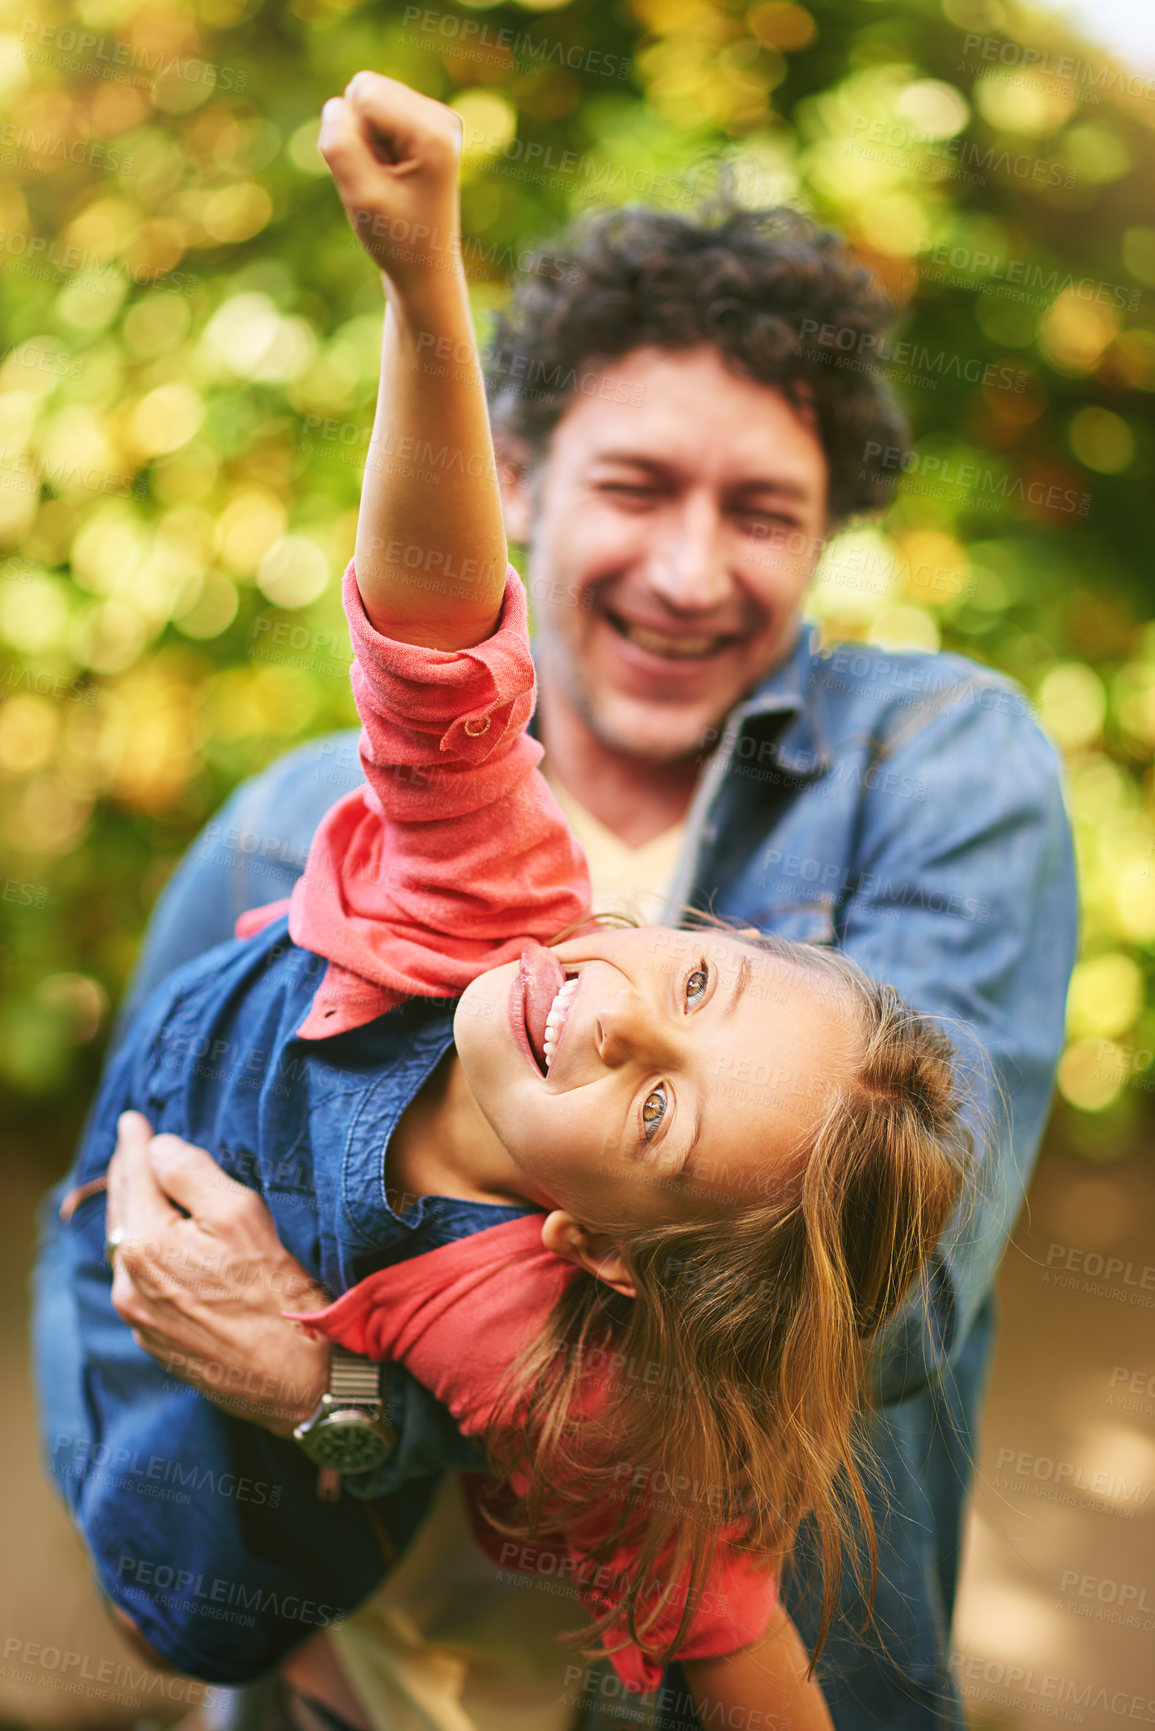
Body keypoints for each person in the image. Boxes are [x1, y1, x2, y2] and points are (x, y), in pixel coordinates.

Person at [34, 74, 1078, 1731]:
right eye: (639, 487)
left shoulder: (939, 766)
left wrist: (340, 1399)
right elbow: (110, 1232)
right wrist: (420, 281)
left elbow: (877, 1312)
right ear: (517, 474)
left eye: (763, 513)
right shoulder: (404, 849)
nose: (689, 569)